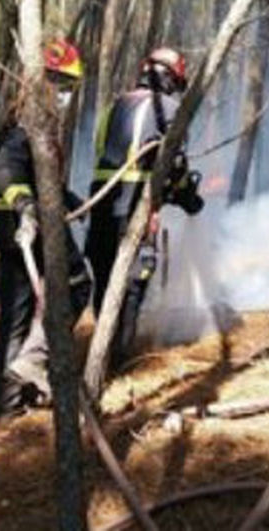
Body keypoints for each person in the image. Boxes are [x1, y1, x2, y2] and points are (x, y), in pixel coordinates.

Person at [0, 37, 93, 414]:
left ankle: (9, 404)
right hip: (30, 229)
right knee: (78, 285)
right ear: (44, 80)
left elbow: (41, 174)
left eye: (71, 87)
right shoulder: (27, 123)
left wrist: (71, 201)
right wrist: (25, 205)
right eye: (62, 84)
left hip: (18, 230)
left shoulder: (34, 119)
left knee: (17, 316)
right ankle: (29, 365)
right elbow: (5, 167)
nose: (66, 94)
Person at [86, 47, 204, 369]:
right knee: (134, 283)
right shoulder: (167, 109)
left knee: (105, 276)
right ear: (168, 78)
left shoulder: (115, 106)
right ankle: (118, 362)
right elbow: (174, 166)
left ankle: (101, 351)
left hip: (102, 206)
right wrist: (187, 197)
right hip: (133, 207)